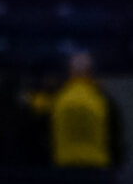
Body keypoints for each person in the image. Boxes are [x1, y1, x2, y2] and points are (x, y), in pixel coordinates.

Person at [34, 49, 126, 177]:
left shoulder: (57, 100)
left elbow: (43, 133)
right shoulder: (103, 100)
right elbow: (115, 139)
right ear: (91, 72)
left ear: (69, 72)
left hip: (64, 165)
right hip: (97, 167)